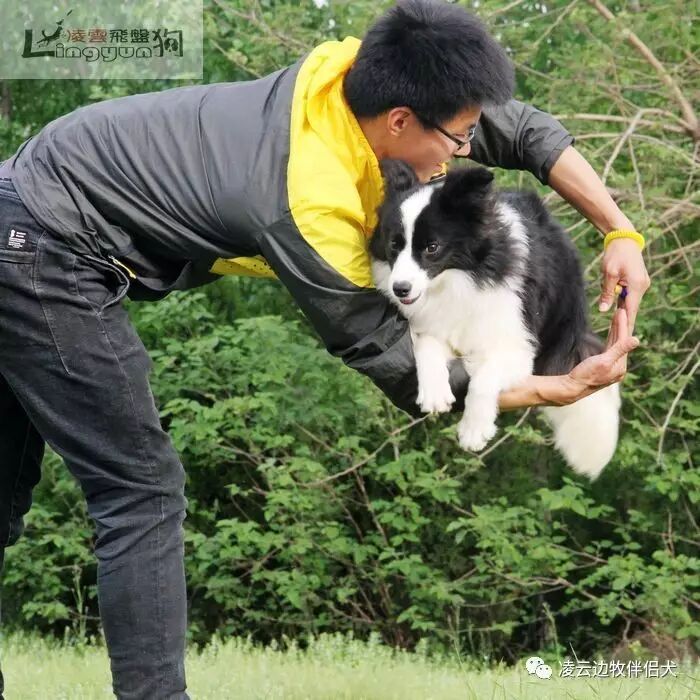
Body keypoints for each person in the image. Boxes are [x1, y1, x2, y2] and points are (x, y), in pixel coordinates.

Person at [0, 1, 646, 697]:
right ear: (400, 121)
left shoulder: (348, 80)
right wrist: (555, 388)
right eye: (457, 140)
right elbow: (392, 360)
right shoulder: (307, 198)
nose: (462, 152)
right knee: (141, 490)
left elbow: (517, 129)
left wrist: (620, 232)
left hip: (21, 211)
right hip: (43, 247)